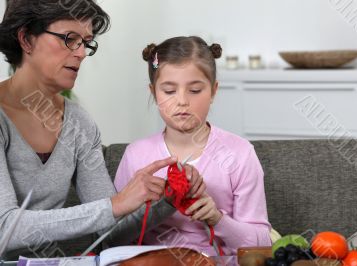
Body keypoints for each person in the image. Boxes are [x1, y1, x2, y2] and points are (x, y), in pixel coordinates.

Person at [0, 1, 205, 260]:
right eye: (69, 39)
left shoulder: (78, 123)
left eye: (86, 42)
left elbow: (109, 233)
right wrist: (115, 205)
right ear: (26, 39)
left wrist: (168, 200)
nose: (81, 53)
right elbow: (4, 227)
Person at [113, 36, 271, 255]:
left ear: (214, 91)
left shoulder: (240, 154)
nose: (182, 101)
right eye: (169, 91)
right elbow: (112, 239)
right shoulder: (136, 155)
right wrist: (150, 208)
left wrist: (218, 219)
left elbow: (262, 244)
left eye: (195, 90)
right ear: (153, 93)